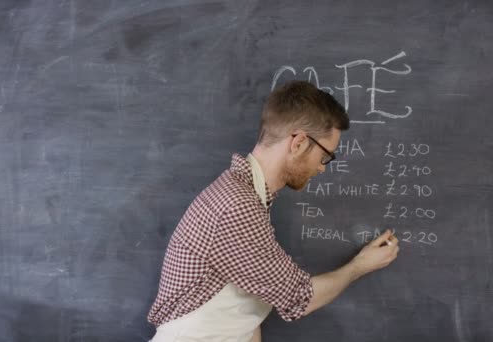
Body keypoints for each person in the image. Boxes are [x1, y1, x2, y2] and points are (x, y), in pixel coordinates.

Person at [147, 80, 399, 341]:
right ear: (299, 143)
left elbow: (242, 313)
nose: (322, 167)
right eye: (325, 157)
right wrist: (360, 266)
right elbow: (300, 299)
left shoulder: (246, 195)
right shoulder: (237, 206)